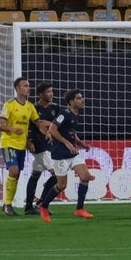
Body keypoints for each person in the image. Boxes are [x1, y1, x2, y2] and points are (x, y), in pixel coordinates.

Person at [38, 89, 95, 221]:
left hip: (73, 153)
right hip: (60, 153)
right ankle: (44, 206)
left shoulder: (76, 114)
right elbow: (52, 129)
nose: (82, 100)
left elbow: (70, 132)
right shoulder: (64, 113)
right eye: (79, 98)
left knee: (85, 176)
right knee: (61, 185)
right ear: (71, 101)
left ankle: (80, 209)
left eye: (81, 98)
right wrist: (66, 143)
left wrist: (80, 143)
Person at [0, 77, 41, 216]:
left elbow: (37, 123)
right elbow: (0, 125)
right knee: (14, 171)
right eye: (25, 86)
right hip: (9, 143)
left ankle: (6, 204)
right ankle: (9, 204)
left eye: (28, 86)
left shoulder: (30, 106)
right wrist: (12, 129)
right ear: (17, 88)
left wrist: (30, 141)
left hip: (22, 146)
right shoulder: (9, 104)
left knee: (16, 176)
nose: (28, 88)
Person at [24, 82, 60, 216]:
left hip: (51, 145)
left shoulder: (55, 108)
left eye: (52, 91)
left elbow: (59, 125)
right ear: (41, 94)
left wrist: (49, 123)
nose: (51, 94)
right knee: (58, 175)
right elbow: (27, 127)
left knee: (35, 175)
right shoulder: (33, 108)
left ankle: (29, 207)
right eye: (48, 92)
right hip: (39, 146)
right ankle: (41, 204)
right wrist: (29, 141)